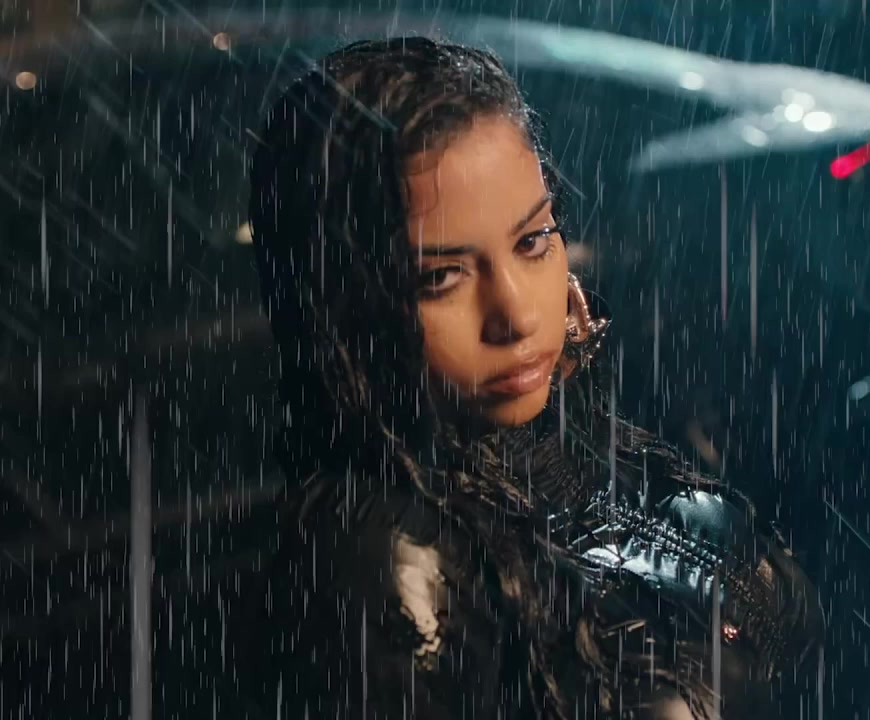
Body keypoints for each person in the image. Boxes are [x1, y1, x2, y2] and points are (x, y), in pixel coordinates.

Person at [238, 36, 823, 719]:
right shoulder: (381, 554)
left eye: (532, 240)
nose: (516, 315)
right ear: (345, 311)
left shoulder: (562, 439)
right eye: (440, 277)